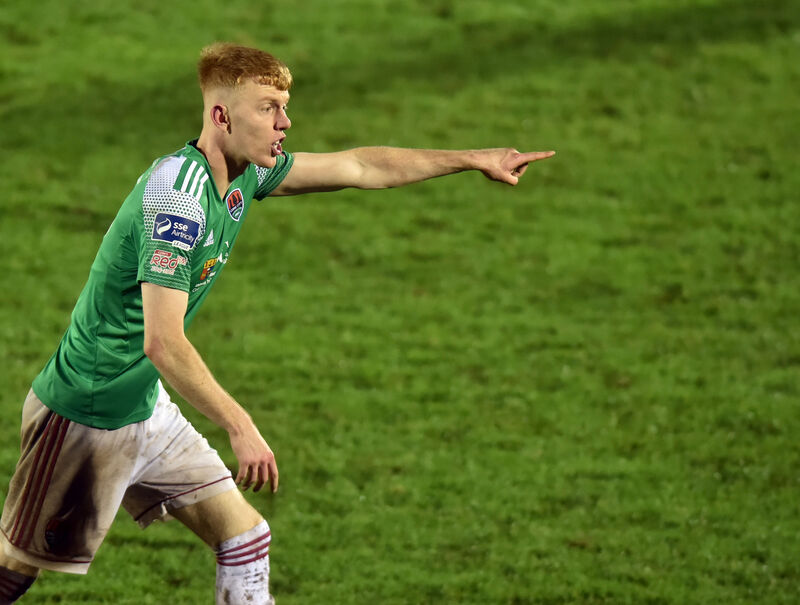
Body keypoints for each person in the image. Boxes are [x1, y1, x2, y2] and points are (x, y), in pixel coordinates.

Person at [0, 42, 554, 604]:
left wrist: (473, 157)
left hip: (143, 402)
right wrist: (240, 426)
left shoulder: (242, 178)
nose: (285, 122)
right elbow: (163, 342)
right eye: (268, 108)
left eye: (284, 106)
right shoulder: (177, 201)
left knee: (245, 540)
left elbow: (359, 166)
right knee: (11, 574)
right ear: (222, 116)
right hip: (86, 413)